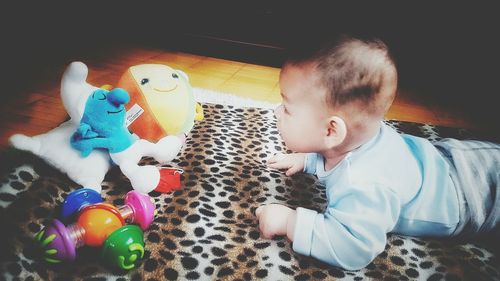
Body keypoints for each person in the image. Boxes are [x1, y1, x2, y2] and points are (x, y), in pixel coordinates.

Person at [255, 35, 500, 270]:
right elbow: (334, 153)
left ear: (331, 131)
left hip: (476, 198)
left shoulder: (364, 184)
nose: (277, 111)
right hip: (455, 159)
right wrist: (308, 159)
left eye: (287, 107)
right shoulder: (360, 138)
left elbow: (353, 248)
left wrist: (290, 222)